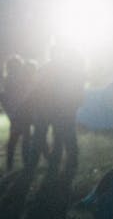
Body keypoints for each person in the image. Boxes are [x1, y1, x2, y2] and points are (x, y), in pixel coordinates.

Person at [30, 43, 84, 171]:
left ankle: (53, 162)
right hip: (51, 108)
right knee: (56, 136)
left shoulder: (61, 70)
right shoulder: (63, 69)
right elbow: (36, 89)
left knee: (57, 136)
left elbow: (76, 89)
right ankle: (57, 162)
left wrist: (75, 103)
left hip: (56, 108)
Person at [0, 54, 35, 170]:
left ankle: (10, 165)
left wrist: (10, 112)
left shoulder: (8, 79)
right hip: (24, 111)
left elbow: (5, 98)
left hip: (14, 112)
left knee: (13, 140)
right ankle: (26, 164)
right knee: (26, 139)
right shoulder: (22, 79)